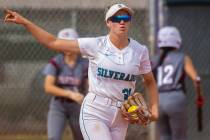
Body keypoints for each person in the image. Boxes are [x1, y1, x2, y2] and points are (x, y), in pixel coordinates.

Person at [4, 3, 159, 140]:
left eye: (126, 17)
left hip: (121, 116)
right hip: (96, 111)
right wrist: (25, 22)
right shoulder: (96, 44)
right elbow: (53, 42)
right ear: (108, 22)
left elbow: (149, 81)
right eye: (117, 19)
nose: (122, 21)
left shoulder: (140, 50)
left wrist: (154, 110)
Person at [151, 26, 204, 140]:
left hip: (158, 99)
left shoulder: (154, 60)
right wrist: (199, 96)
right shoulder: (182, 58)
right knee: (179, 137)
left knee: (164, 136)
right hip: (176, 98)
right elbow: (196, 80)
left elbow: (148, 81)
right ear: (177, 41)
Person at [42, 28, 88, 140]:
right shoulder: (56, 61)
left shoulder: (84, 63)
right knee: (54, 137)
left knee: (81, 138)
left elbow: (89, 86)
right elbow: (48, 87)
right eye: (63, 42)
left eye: (69, 42)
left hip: (78, 106)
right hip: (59, 106)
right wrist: (70, 94)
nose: (66, 45)